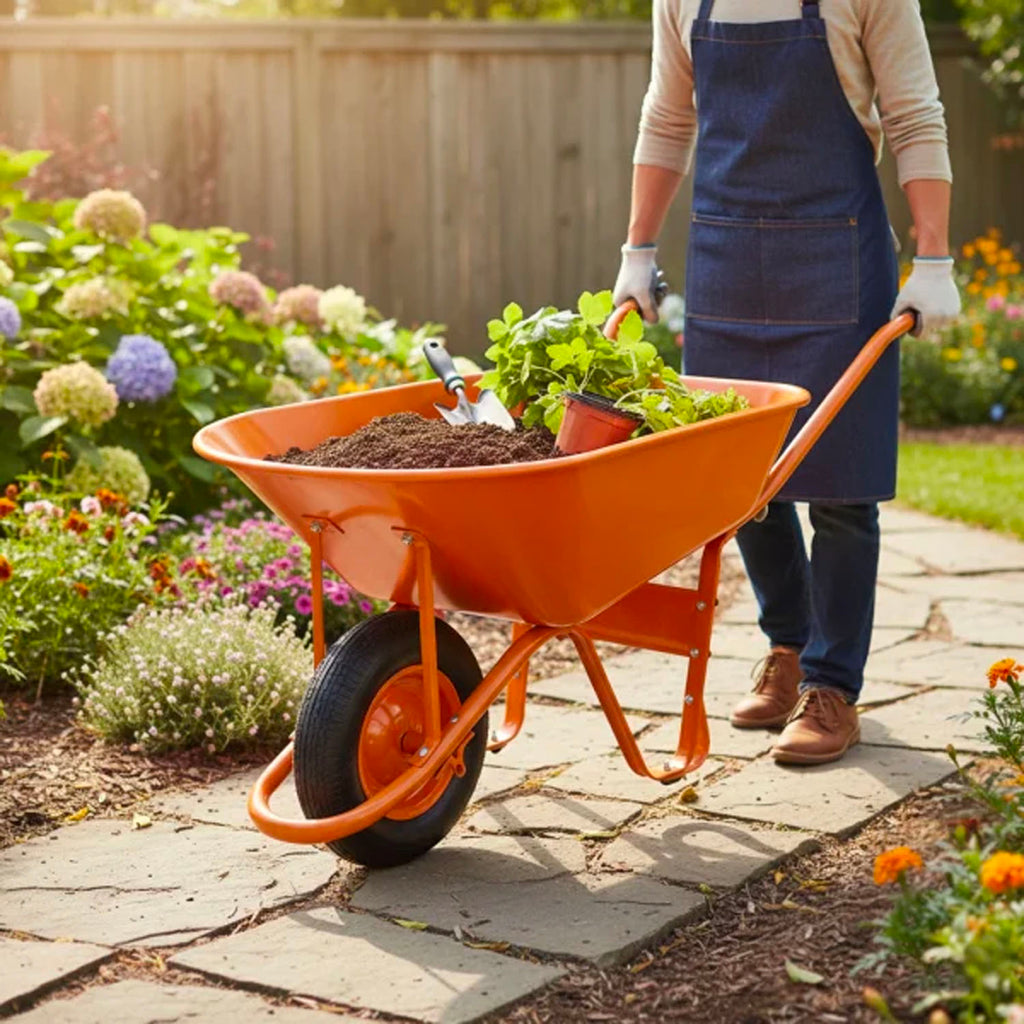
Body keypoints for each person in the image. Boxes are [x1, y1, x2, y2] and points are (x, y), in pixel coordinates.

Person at [613, 0, 961, 764]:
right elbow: (667, 118)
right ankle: (789, 646)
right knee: (741, 481)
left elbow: (914, 115)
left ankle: (833, 685)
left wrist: (932, 259)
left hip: (837, 258)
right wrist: (638, 250)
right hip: (727, 260)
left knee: (840, 485)